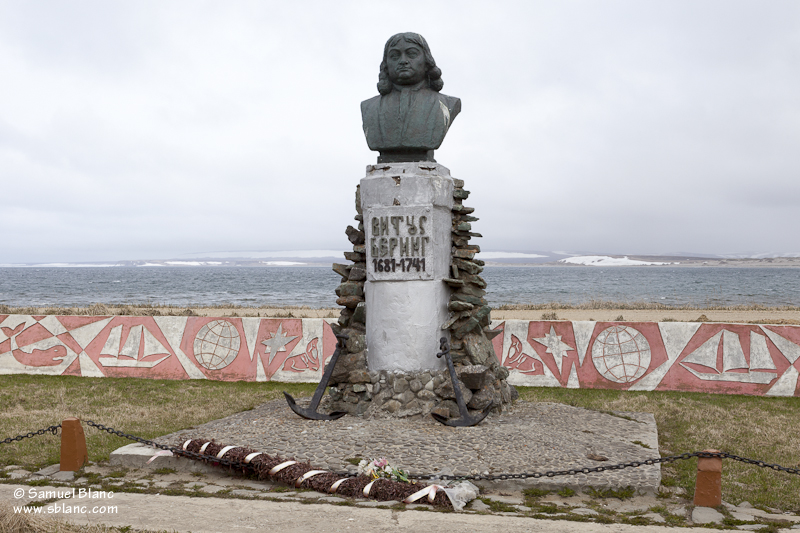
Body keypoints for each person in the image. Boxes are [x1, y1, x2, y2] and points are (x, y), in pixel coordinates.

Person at [361, 33, 461, 163]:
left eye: (412, 54)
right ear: (386, 64)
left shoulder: (446, 104)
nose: (403, 60)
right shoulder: (369, 107)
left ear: (427, 62)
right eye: (394, 56)